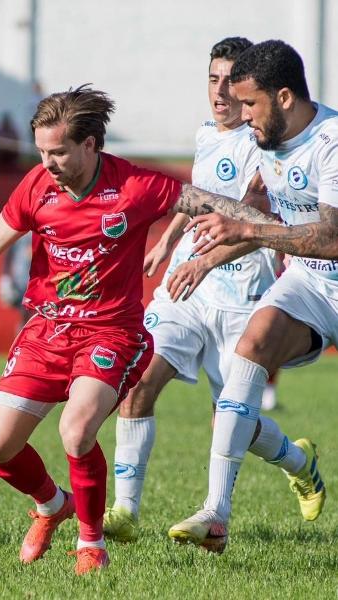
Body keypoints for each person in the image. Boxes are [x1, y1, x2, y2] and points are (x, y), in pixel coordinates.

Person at [0, 85, 303, 573]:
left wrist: (276, 228)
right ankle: (54, 505)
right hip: (47, 329)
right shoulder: (36, 185)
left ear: (91, 144)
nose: (47, 162)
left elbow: (204, 201)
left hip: (110, 334)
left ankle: (91, 543)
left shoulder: (134, 185)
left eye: (58, 152)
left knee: (76, 432)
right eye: (41, 152)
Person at [103, 37, 286, 544]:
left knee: (232, 421)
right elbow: (197, 201)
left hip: (241, 296)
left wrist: (204, 260)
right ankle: (124, 511)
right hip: (186, 288)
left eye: (231, 81)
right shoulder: (207, 134)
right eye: (212, 79)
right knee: (138, 382)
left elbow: (255, 218)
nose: (221, 91)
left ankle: (296, 459)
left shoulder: (265, 142)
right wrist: (167, 244)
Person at [168, 40, 336, 552]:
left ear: (284, 97)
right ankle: (216, 515)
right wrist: (203, 260)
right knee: (251, 349)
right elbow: (259, 218)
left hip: (325, 260)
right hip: (310, 282)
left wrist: (247, 228)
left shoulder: (330, 143)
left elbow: (330, 238)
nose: (242, 116)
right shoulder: (267, 146)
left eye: (250, 105)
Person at [0, 232, 33, 331]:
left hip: (37, 277)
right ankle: (23, 334)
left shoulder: (43, 230)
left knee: (32, 310)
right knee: (25, 309)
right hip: (21, 278)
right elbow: (8, 255)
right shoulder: (19, 232)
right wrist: (5, 277)